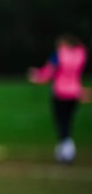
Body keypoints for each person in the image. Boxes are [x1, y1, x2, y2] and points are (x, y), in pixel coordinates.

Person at [28, 33, 88, 164]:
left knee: (61, 122)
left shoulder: (59, 54)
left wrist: (36, 76)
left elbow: (49, 71)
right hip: (75, 92)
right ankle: (65, 148)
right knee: (68, 122)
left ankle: (67, 151)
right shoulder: (80, 54)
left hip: (60, 92)